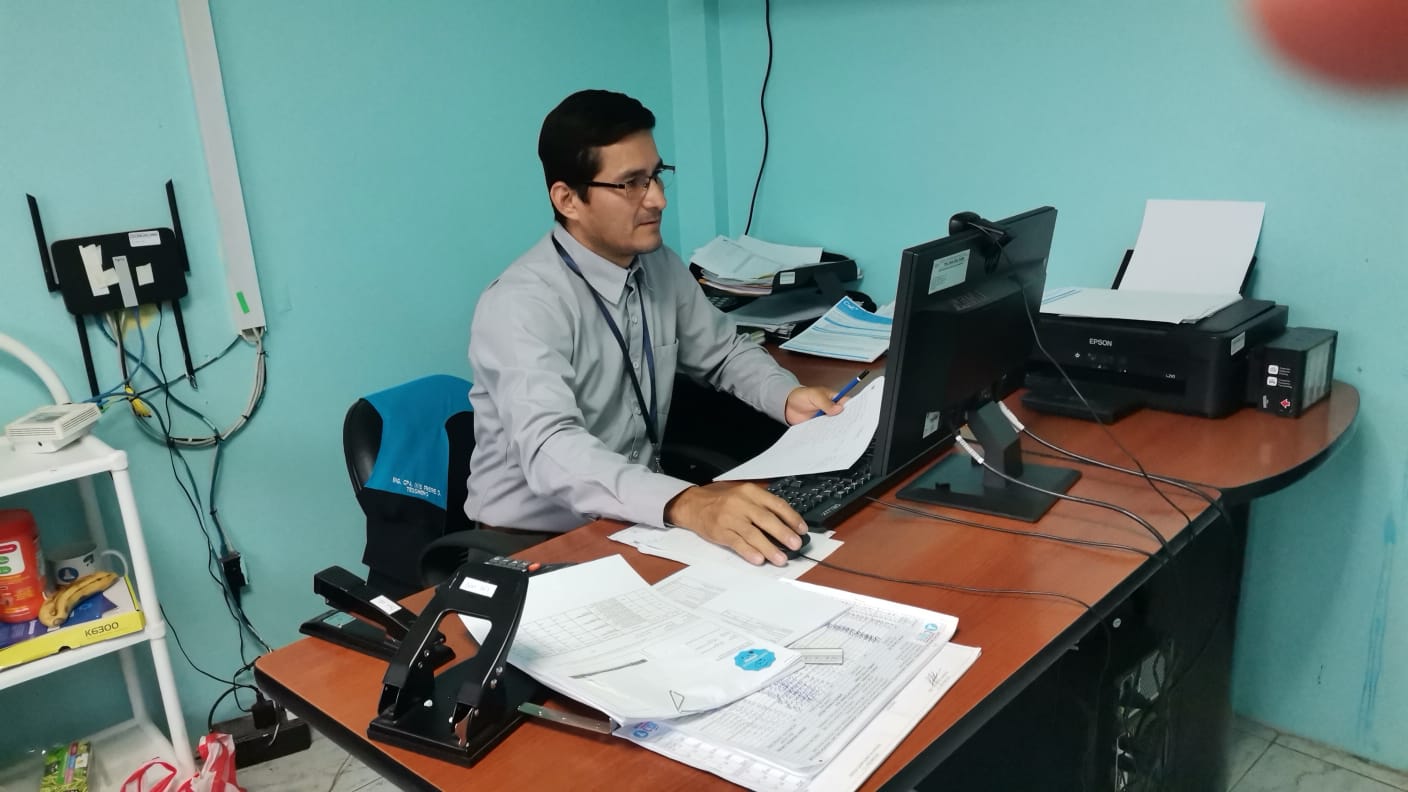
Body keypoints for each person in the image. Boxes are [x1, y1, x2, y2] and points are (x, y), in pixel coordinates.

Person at [465, 89, 847, 566]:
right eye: (631, 184)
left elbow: (724, 353)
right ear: (568, 199)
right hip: (534, 542)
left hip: (636, 520)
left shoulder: (657, 265)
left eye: (657, 176)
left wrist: (786, 396)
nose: (658, 199)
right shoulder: (521, 304)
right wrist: (686, 502)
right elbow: (550, 448)